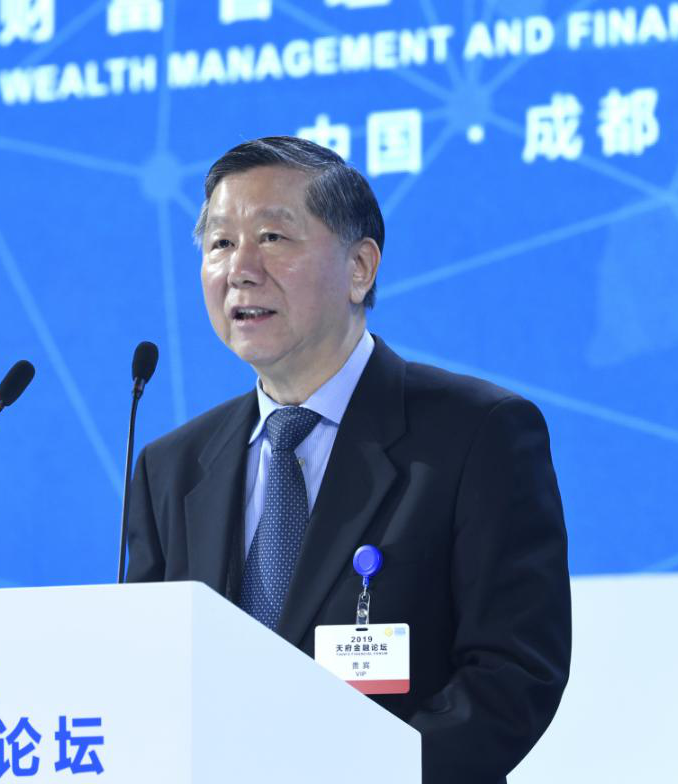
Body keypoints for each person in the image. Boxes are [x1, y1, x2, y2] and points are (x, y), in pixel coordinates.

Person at [125, 136, 570, 783]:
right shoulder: (172, 467)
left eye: (272, 237)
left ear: (360, 268)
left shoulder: (477, 434)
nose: (240, 269)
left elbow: (512, 674)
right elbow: (148, 680)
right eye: (220, 243)